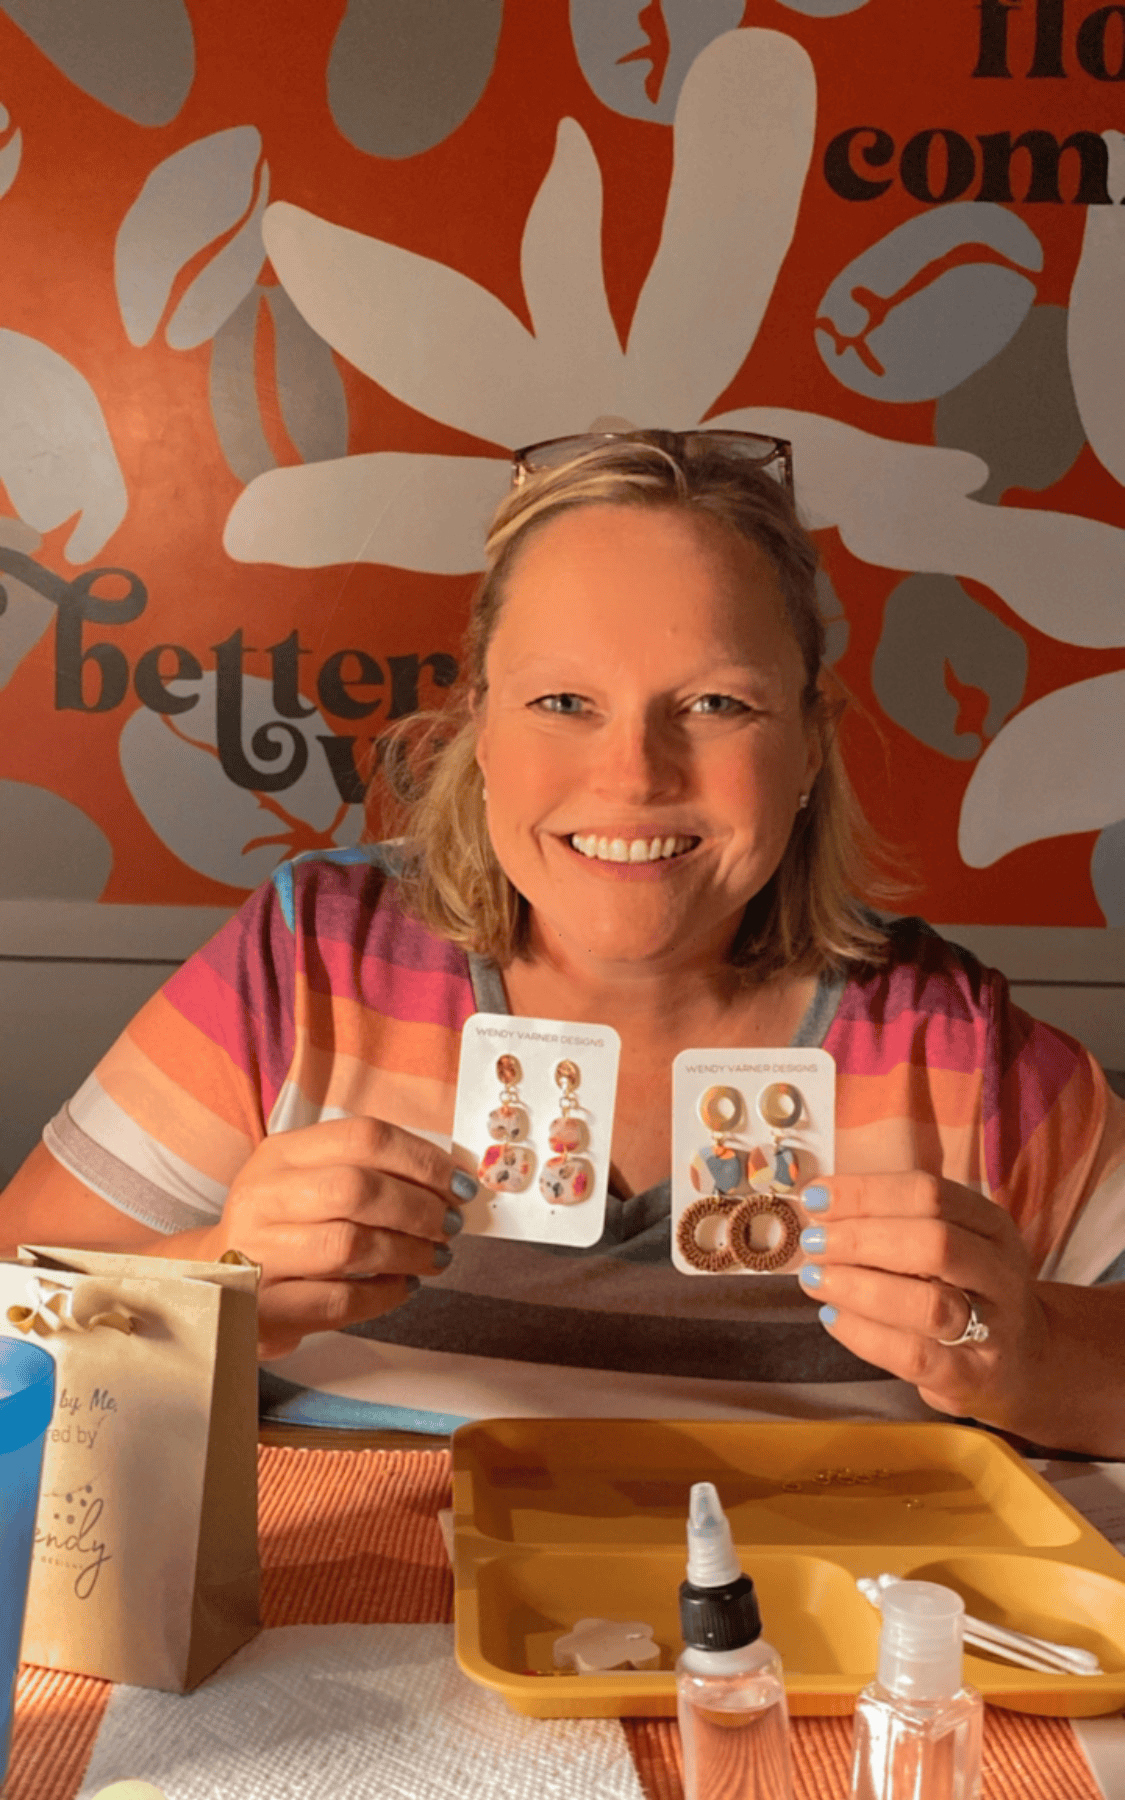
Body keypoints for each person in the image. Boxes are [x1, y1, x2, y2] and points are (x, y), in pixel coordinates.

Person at [1, 429, 1123, 1454]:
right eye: (563, 703)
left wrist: (1029, 1357)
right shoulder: (308, 964)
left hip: (784, 1663)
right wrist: (218, 1282)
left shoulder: (958, 1049)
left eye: (719, 705)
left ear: (812, 743)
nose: (635, 773)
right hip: (345, 1642)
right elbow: (12, 1309)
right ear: (480, 722)